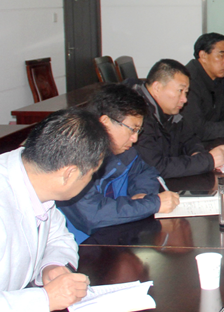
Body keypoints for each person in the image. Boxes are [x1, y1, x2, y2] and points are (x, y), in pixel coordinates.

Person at [1, 109, 109, 311]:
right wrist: (45, 299)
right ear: (69, 174)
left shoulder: (34, 179)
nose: (91, 181)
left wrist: (52, 265)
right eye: (92, 174)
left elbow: (59, 237)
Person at [57, 84, 181, 244]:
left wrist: (142, 195)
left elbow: (146, 172)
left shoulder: (123, 150)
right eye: (132, 129)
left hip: (112, 237)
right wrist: (153, 204)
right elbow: (93, 216)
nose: (135, 139)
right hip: (77, 247)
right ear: (105, 122)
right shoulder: (73, 158)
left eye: (138, 131)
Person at [127, 59, 224, 178]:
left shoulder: (168, 109)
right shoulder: (136, 114)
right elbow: (155, 167)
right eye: (180, 91)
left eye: (186, 92)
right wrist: (207, 161)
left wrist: (198, 153)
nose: (184, 99)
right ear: (157, 88)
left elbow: (188, 138)